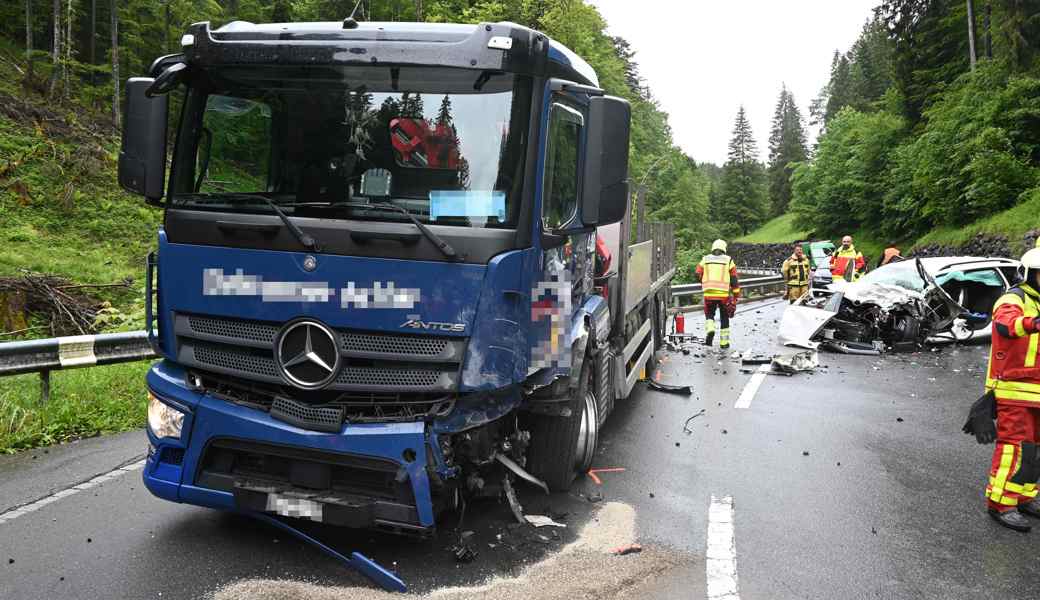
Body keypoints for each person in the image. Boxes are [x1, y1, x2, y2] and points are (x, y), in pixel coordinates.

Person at [983, 247, 1040, 532]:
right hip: (1015, 388)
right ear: (1030, 275)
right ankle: (1001, 503)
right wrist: (1033, 323)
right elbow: (1005, 326)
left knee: (1035, 448)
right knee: (1014, 447)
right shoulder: (1014, 298)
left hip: (1036, 391)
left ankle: (1025, 496)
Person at [696, 239, 741, 349]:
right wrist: (736, 295)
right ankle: (724, 343)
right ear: (724, 249)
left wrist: (703, 281)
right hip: (723, 295)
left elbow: (697, 273)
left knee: (709, 314)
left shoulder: (705, 259)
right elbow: (734, 279)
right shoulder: (729, 261)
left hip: (709, 294)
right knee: (724, 317)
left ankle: (710, 331)